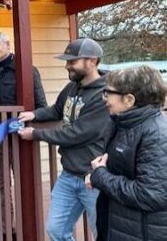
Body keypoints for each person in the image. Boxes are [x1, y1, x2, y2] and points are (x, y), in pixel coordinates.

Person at [18, 38, 114, 241]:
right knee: (56, 229)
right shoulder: (72, 87)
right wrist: (34, 115)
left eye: (73, 61)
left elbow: (77, 133)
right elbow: (56, 110)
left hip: (93, 178)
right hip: (69, 175)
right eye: (67, 61)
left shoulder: (103, 95)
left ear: (92, 61)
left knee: (103, 234)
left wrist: (36, 134)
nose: (67, 65)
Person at [0, 31, 47, 241]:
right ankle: (6, 232)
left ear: (8, 45)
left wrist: (30, 126)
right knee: (0, 185)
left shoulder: (26, 69)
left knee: (24, 182)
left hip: (20, 137)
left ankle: (28, 231)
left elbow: (41, 105)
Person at [85, 65, 167, 241]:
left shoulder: (157, 134)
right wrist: (98, 172)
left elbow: (150, 195)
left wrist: (100, 176)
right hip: (118, 227)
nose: (104, 99)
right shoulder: (121, 123)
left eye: (108, 93)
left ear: (129, 99)